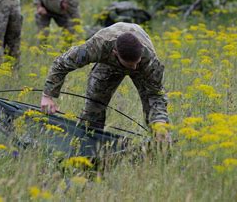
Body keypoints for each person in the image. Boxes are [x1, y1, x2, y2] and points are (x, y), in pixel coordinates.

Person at [40, 22, 170, 140]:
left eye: (136, 63)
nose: (134, 68)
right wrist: (47, 95)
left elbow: (156, 95)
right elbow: (61, 63)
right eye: (130, 65)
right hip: (109, 64)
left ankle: (159, 151)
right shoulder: (98, 46)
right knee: (93, 107)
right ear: (115, 53)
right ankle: (87, 148)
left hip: (143, 66)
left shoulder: (149, 61)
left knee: (159, 125)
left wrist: (160, 123)